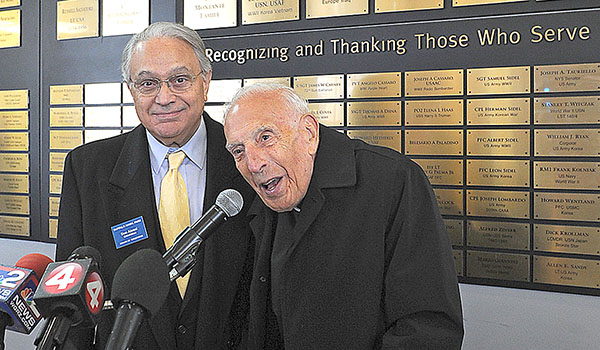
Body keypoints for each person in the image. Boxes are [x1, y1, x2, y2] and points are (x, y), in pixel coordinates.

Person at [56, 22, 254, 349]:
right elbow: (71, 307)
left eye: (179, 80)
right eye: (148, 83)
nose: (165, 97)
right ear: (130, 90)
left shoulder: (250, 160)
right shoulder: (87, 168)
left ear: (205, 82)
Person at [223, 83, 464, 349]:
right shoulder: (264, 199)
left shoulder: (393, 181)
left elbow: (428, 327)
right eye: (239, 151)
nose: (254, 164)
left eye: (265, 138)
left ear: (308, 133)